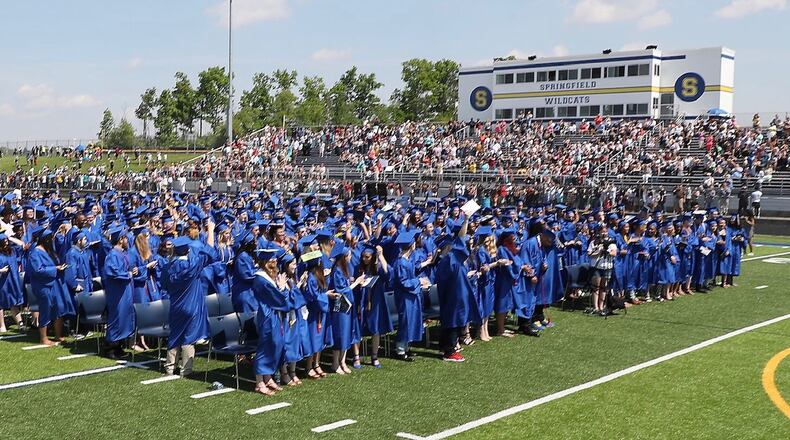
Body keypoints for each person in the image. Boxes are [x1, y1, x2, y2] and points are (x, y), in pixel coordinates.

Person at [164, 232, 213, 377]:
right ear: (188, 250)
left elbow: (164, 285)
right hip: (191, 306)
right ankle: (186, 370)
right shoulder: (192, 265)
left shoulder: (167, 268)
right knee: (189, 337)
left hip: (175, 306)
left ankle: (169, 368)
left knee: (175, 335)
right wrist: (210, 231)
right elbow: (209, 251)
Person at [250, 248, 289, 396]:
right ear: (265, 262)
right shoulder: (260, 279)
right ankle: (259, 382)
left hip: (273, 315)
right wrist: (282, 288)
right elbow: (277, 299)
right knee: (265, 347)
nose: (275, 261)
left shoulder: (268, 276)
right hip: (267, 316)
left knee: (275, 345)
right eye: (272, 260)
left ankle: (268, 377)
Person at [392, 231, 430, 361]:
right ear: (411, 245)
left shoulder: (407, 260)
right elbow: (403, 282)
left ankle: (406, 347)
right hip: (404, 297)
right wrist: (419, 281)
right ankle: (400, 350)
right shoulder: (400, 263)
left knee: (411, 321)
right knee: (405, 322)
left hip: (412, 295)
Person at [328, 243, 365, 373]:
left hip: (347, 304)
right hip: (340, 304)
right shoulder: (337, 271)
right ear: (343, 257)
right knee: (340, 333)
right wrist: (357, 282)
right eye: (348, 255)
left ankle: (342, 362)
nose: (350, 257)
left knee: (346, 332)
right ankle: (335, 363)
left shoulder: (343, 270)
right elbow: (341, 291)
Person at [102, 227, 136, 358]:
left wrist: (134, 270)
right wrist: (127, 274)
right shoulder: (112, 255)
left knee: (124, 318)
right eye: (126, 238)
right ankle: (110, 348)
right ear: (121, 240)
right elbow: (112, 272)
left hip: (125, 291)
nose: (128, 240)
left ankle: (119, 347)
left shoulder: (123, 253)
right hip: (117, 293)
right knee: (116, 318)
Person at [357, 244, 392, 367]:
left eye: (367, 257)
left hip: (376, 302)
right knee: (359, 328)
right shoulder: (359, 269)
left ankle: (374, 356)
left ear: (372, 257)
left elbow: (388, 273)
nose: (364, 259)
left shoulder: (378, 268)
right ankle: (356, 357)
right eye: (363, 256)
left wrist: (381, 256)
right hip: (362, 301)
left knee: (375, 329)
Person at [0, 233, 25, 332]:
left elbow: (22, 245)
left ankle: (20, 324)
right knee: (0, 304)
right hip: (2, 283)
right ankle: (2, 326)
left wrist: (10, 237)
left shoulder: (12, 251)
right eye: (4, 241)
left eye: (6, 240)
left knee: (13, 303)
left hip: (13, 281)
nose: (6, 242)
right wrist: (1, 270)